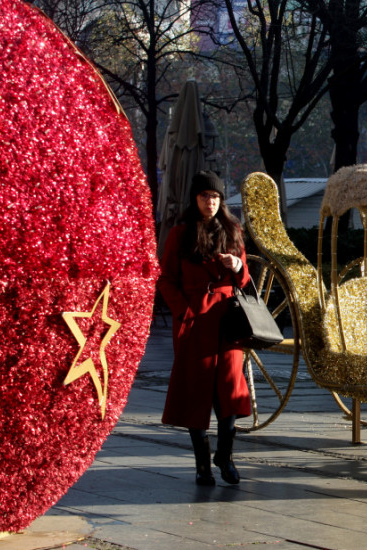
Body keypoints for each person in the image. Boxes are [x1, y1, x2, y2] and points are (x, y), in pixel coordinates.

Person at [156, 170, 251, 486]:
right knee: (196, 392)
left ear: (221, 200)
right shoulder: (180, 234)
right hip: (195, 319)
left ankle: (225, 457)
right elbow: (167, 279)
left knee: (229, 388)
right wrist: (184, 311)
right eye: (204, 197)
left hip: (227, 318)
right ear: (195, 199)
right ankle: (202, 466)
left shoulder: (233, 230)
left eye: (214, 197)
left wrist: (237, 267)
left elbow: (245, 278)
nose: (209, 202)